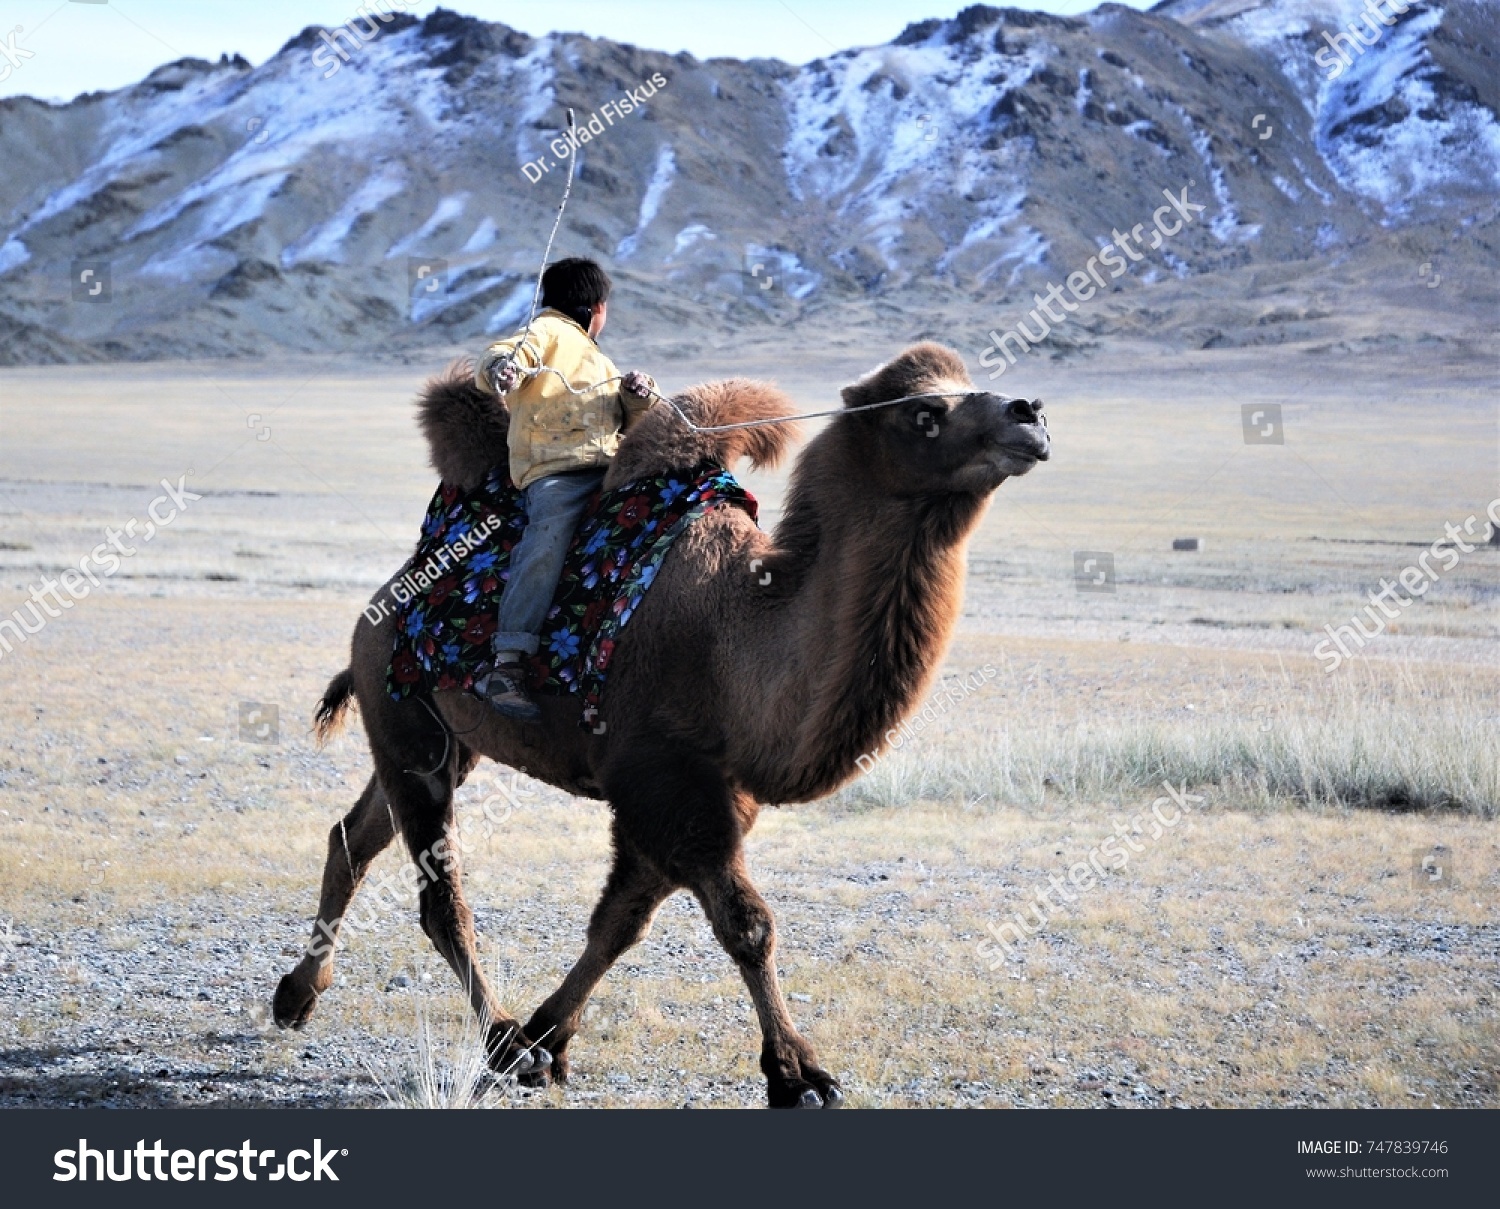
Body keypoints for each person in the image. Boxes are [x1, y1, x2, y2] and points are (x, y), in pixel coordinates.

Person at [470, 257, 655, 721]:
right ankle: (507, 662)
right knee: (547, 541)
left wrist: (635, 397)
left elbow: (629, 425)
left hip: (611, 471)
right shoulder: (547, 332)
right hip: (557, 473)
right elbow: (507, 354)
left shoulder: (601, 360)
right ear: (596, 308)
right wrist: (504, 371)